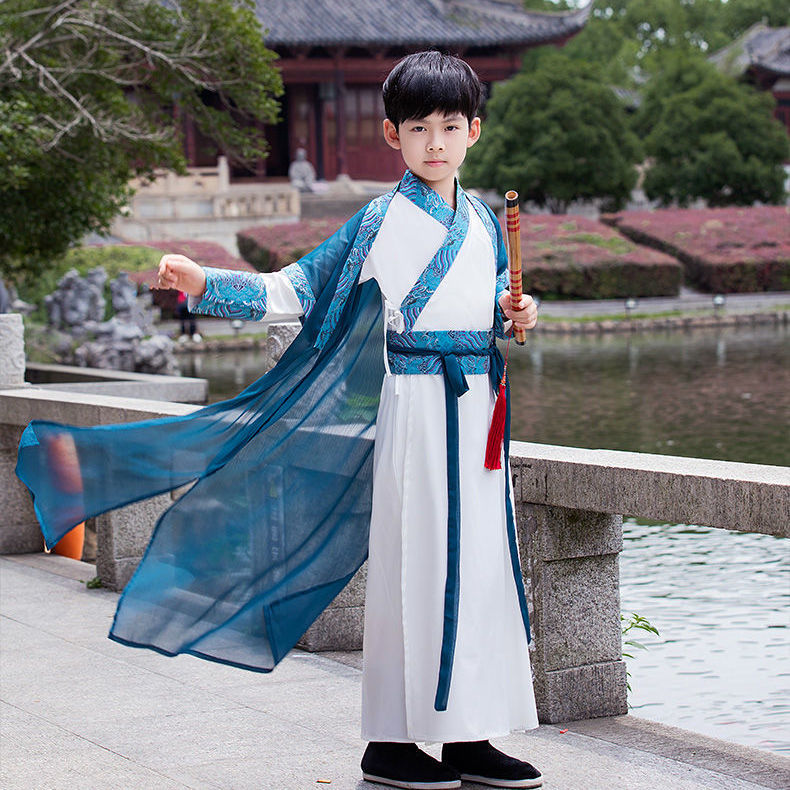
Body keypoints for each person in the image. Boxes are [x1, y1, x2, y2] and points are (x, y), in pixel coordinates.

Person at [16, 51, 540, 790]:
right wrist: (206, 284)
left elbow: (487, 303)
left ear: (474, 132)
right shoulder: (379, 220)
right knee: (414, 570)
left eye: (450, 127)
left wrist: (515, 308)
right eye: (418, 127)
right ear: (391, 135)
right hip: (414, 415)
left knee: (480, 570)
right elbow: (296, 288)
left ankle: (468, 736)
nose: (435, 143)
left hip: (478, 417)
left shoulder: (484, 219)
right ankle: (391, 742)